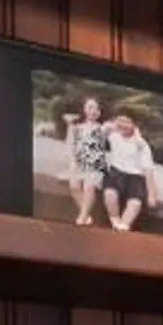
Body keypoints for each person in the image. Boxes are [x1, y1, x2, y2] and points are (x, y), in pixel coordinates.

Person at [99, 108, 157, 232]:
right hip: (116, 172)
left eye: (127, 122)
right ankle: (115, 222)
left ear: (134, 125)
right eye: (120, 120)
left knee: (135, 204)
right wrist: (106, 127)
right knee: (109, 195)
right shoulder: (112, 134)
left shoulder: (141, 144)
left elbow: (148, 171)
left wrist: (151, 195)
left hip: (135, 177)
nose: (123, 125)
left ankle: (124, 226)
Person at [62, 95, 112, 227]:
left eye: (96, 108)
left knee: (89, 186)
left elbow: (112, 131)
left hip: (95, 165)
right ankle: (86, 215)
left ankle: (81, 219)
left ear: (100, 112)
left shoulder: (103, 128)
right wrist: (70, 126)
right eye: (90, 107)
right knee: (73, 185)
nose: (93, 111)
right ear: (84, 110)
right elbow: (69, 145)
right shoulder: (77, 128)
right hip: (80, 163)